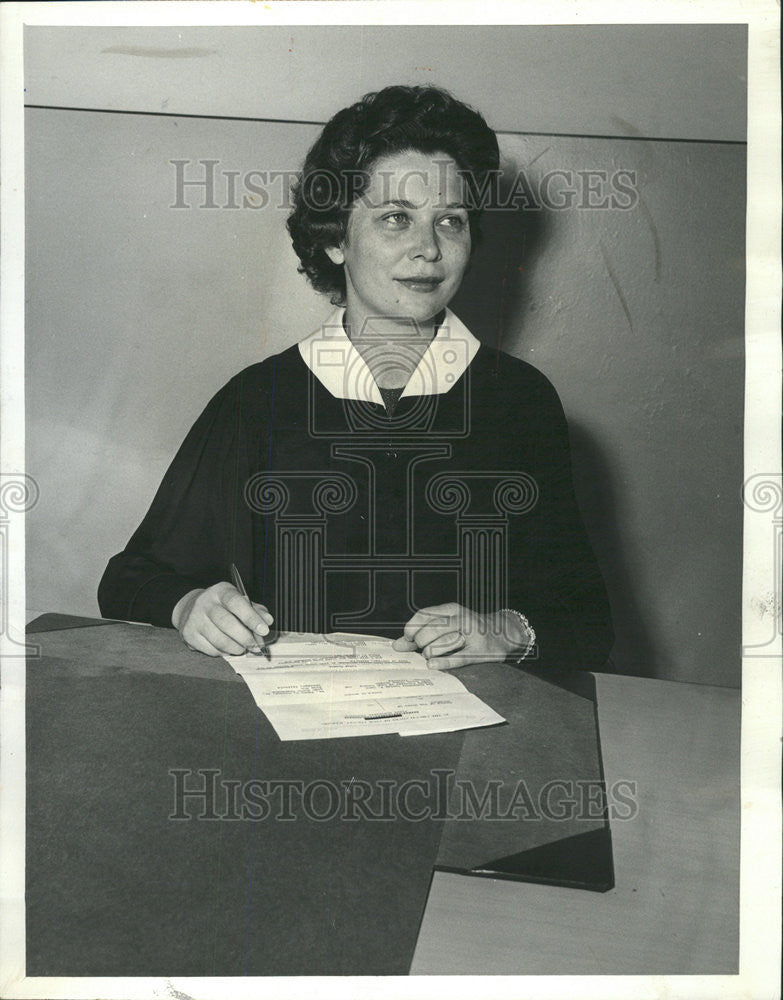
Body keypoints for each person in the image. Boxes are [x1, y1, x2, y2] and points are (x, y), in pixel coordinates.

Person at [98, 85, 614, 672]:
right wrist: (190, 604)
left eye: (451, 221)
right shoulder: (256, 400)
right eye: (397, 218)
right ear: (335, 239)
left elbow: (589, 621)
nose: (429, 249)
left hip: (471, 739)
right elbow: (130, 578)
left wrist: (507, 631)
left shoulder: (520, 401)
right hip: (288, 735)